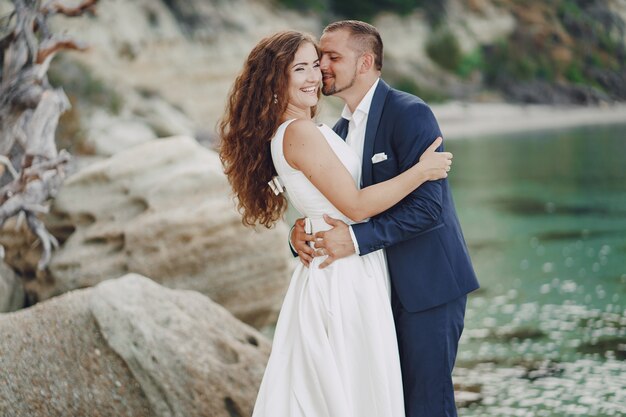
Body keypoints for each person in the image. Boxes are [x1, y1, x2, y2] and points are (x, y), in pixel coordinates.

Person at [219, 30, 452, 417]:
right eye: (302, 68)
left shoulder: (327, 129)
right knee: (353, 388)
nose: (317, 74)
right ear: (276, 80)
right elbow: (357, 206)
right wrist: (422, 171)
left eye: (319, 63)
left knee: (348, 386)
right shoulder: (301, 132)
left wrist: (302, 232)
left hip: (371, 274)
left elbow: (325, 201)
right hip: (344, 277)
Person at [289, 20, 480, 417]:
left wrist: (356, 240)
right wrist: (300, 235)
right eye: (320, 56)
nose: (322, 65)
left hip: (427, 289)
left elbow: (429, 209)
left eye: (332, 57)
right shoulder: (338, 130)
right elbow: (339, 205)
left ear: (365, 62)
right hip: (374, 292)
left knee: (427, 406)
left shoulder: (409, 112)